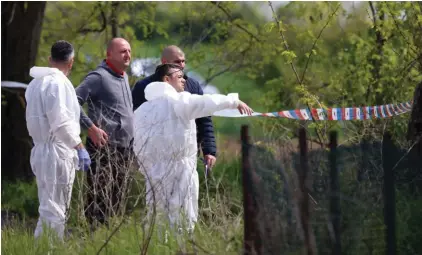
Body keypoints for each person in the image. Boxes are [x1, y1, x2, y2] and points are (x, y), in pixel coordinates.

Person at [133, 63, 253, 237]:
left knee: (157, 216)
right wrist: (233, 101)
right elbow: (206, 102)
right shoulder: (180, 101)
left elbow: (138, 144)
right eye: (180, 76)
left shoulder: (142, 110)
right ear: (166, 80)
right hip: (180, 171)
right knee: (183, 217)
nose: (184, 80)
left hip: (153, 172)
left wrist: (148, 167)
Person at [25, 40, 91, 240]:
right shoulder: (58, 83)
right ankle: (48, 249)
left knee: (48, 207)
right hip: (56, 152)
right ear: (71, 62)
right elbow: (60, 122)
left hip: (41, 150)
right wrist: (79, 146)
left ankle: (44, 248)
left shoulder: (36, 83)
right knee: (55, 211)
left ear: (49, 59)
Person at [75, 38, 134, 227]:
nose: (128, 55)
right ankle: (92, 239)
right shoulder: (97, 77)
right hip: (103, 149)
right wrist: (90, 128)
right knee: (98, 201)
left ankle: (107, 239)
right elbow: (71, 102)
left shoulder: (124, 76)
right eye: (123, 51)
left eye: (129, 51)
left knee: (116, 202)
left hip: (124, 150)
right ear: (109, 54)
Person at [132, 45, 217, 169]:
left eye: (183, 61)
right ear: (164, 62)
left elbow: (204, 119)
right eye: (177, 61)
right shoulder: (144, 87)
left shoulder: (192, 86)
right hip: (155, 158)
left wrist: (209, 151)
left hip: (187, 156)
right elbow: (136, 122)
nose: (182, 65)